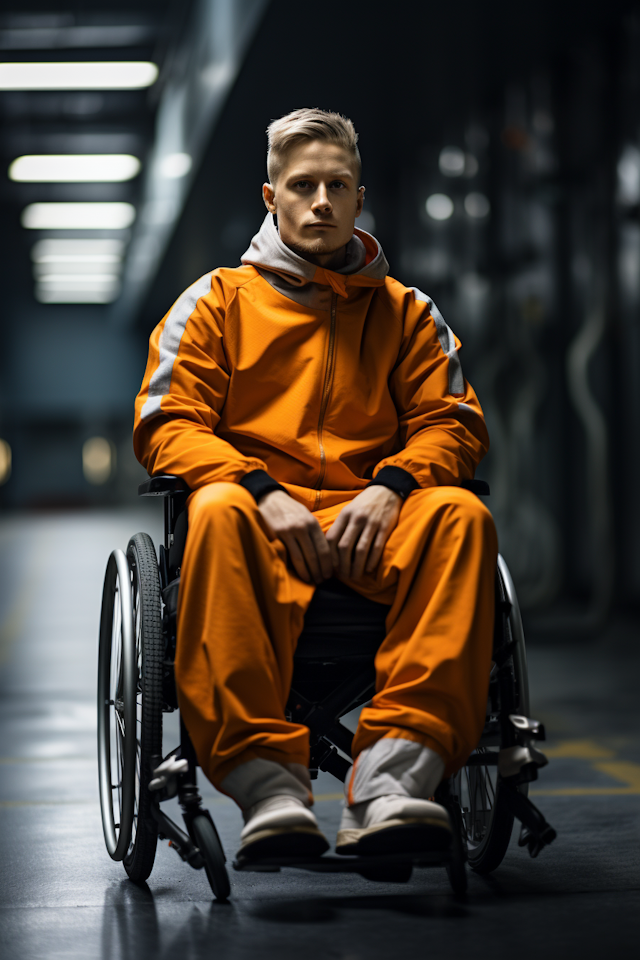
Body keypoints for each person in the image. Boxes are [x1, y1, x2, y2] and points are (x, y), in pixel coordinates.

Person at [134, 108, 498, 863]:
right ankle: (269, 789)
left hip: (374, 529)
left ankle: (395, 782)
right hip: (263, 534)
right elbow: (168, 423)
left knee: (460, 515)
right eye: (303, 186)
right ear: (272, 197)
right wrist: (261, 487)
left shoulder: (409, 315)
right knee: (217, 505)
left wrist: (393, 484)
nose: (321, 202)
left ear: (360, 198)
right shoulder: (215, 304)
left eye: (338, 185)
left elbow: (453, 424)